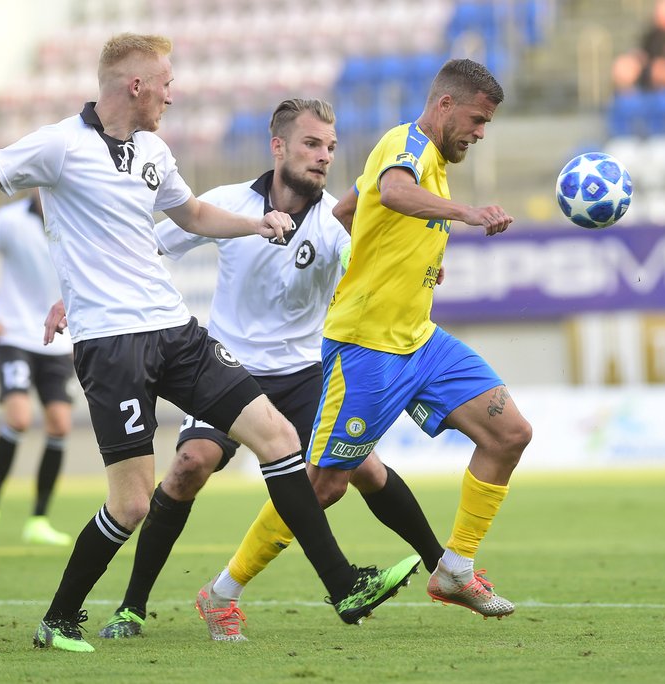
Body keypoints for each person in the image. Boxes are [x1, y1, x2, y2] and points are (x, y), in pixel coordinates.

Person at [0, 33, 419, 653]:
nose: (173, 95)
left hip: (175, 331)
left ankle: (342, 586)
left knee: (279, 438)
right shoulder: (58, 147)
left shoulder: (154, 150)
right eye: (167, 83)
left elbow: (193, 217)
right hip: (112, 347)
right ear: (136, 86)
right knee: (129, 505)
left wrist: (253, 223)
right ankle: (60, 617)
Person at [43, 98, 444, 642]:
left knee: (363, 468)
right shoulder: (227, 203)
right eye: (310, 144)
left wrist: (413, 275)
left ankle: (444, 568)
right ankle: (132, 607)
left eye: (330, 147)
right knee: (188, 466)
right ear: (277, 146)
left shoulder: (335, 224)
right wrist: (75, 297)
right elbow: (143, 250)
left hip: (303, 370)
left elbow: (370, 272)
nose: (324, 156)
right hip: (228, 365)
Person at [206, 58, 531, 622]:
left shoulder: (432, 158)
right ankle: (222, 592)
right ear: (445, 105)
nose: (480, 133)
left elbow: (352, 208)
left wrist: (411, 257)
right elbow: (396, 193)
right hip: (366, 348)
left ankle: (454, 569)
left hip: (421, 340)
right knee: (327, 484)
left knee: (510, 433)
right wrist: (465, 215)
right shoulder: (404, 144)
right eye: (477, 120)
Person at [0, 189, 75, 549]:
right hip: (13, 335)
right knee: (19, 417)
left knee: (59, 423)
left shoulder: (73, 219)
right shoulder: (9, 220)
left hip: (56, 341)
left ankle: (38, 519)